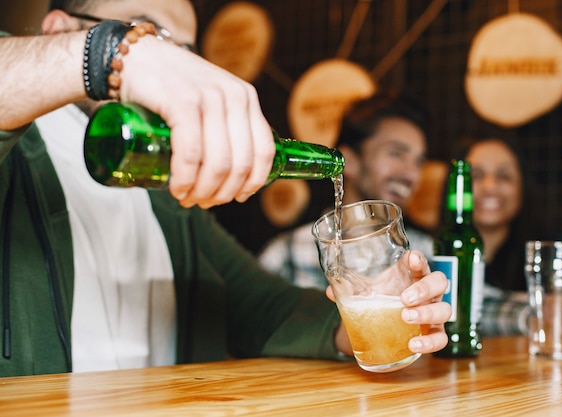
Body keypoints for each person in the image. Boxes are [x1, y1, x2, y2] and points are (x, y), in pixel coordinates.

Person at [0, 0, 450, 377]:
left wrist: (378, 313)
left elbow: (260, 306)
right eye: (144, 30)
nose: (171, 57)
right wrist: (113, 53)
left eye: (185, 50)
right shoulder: (18, 154)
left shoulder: (165, 192)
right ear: (58, 29)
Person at [259, 91, 434, 289]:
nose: (412, 174)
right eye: (396, 154)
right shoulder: (287, 254)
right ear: (348, 160)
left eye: (419, 162)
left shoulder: (425, 255)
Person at [458, 137, 562, 338]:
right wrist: (538, 309)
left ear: (523, 187)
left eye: (504, 176)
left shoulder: (551, 250)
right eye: (476, 175)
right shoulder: (430, 250)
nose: (490, 186)